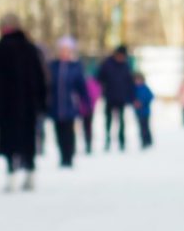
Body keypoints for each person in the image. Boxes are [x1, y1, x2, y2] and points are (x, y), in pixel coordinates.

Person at [0, 14, 47, 191]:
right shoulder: (30, 49)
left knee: (9, 140)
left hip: (6, 106)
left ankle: (11, 173)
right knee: (28, 139)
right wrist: (42, 102)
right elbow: (41, 78)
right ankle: (30, 172)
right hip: (29, 105)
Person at [47, 37, 90, 168]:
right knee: (58, 132)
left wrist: (86, 102)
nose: (64, 52)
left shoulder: (75, 67)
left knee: (69, 132)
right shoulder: (52, 66)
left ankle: (69, 156)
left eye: (67, 50)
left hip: (70, 105)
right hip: (55, 105)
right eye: (62, 49)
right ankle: (62, 156)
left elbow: (81, 86)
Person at [96, 44, 134, 152]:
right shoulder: (107, 64)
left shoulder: (126, 65)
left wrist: (131, 97)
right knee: (108, 120)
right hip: (109, 96)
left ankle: (122, 141)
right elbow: (99, 77)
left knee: (121, 121)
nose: (122, 58)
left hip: (121, 97)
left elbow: (129, 82)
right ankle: (107, 141)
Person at [132, 72, 155, 149]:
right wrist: (135, 102)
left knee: (146, 127)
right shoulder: (134, 89)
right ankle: (143, 141)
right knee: (141, 127)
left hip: (145, 111)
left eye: (139, 80)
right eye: (136, 80)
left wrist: (143, 103)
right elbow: (131, 98)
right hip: (138, 112)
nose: (138, 81)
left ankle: (148, 140)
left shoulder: (145, 88)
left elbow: (151, 96)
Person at [79, 73, 100, 154]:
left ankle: (88, 144)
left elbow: (95, 96)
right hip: (84, 108)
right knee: (87, 127)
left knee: (87, 127)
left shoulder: (92, 84)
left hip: (87, 109)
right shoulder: (91, 83)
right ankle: (87, 144)